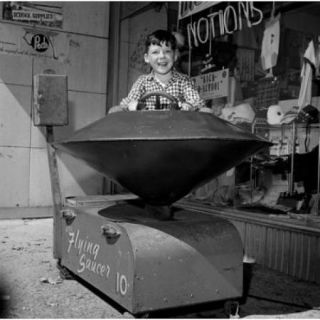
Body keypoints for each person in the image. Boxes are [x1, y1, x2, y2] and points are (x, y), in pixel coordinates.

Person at [109, 29, 206, 113]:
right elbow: (128, 102)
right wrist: (131, 105)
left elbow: (197, 101)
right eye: (155, 52)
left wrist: (188, 105)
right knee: (115, 111)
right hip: (149, 129)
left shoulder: (184, 81)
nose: (162, 56)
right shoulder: (143, 81)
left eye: (167, 51)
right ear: (147, 58)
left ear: (175, 55)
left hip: (175, 129)